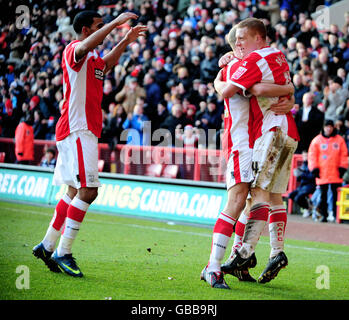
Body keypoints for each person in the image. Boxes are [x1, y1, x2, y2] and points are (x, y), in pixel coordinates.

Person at [32, 10, 147, 277]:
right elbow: (85, 46)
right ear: (86, 30)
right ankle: (64, 252)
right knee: (89, 191)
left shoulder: (92, 58)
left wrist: (125, 40)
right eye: (98, 26)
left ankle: (47, 245)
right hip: (77, 129)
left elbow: (106, 65)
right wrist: (116, 23)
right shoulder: (75, 49)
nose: (103, 29)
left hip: (81, 130)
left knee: (73, 191)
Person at [200, 22, 296, 289]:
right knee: (240, 199)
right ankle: (215, 265)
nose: (241, 46)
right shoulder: (236, 66)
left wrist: (290, 93)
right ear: (234, 46)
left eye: (244, 40)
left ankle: (240, 258)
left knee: (253, 198)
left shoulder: (250, 63)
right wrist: (219, 79)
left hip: (258, 139)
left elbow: (268, 86)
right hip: (240, 143)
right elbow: (234, 89)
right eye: (238, 42)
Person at [308, 120, 348, 222]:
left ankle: (335, 215)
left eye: (330, 126)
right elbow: (312, 155)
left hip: (336, 172)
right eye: (327, 126)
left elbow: (344, 155)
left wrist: (343, 167)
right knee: (323, 195)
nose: (328, 129)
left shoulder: (339, 140)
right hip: (322, 172)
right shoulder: (317, 140)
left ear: (333, 128)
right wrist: (314, 168)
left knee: (335, 196)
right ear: (323, 128)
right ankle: (323, 215)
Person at [288, 151, 316, 217]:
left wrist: (302, 174)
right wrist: (297, 174)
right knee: (291, 195)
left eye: (306, 156)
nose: (304, 157)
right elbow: (300, 178)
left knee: (298, 197)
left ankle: (309, 209)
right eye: (303, 156)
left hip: (311, 185)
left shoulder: (312, 164)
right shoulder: (303, 164)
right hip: (303, 186)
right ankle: (308, 208)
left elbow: (312, 177)